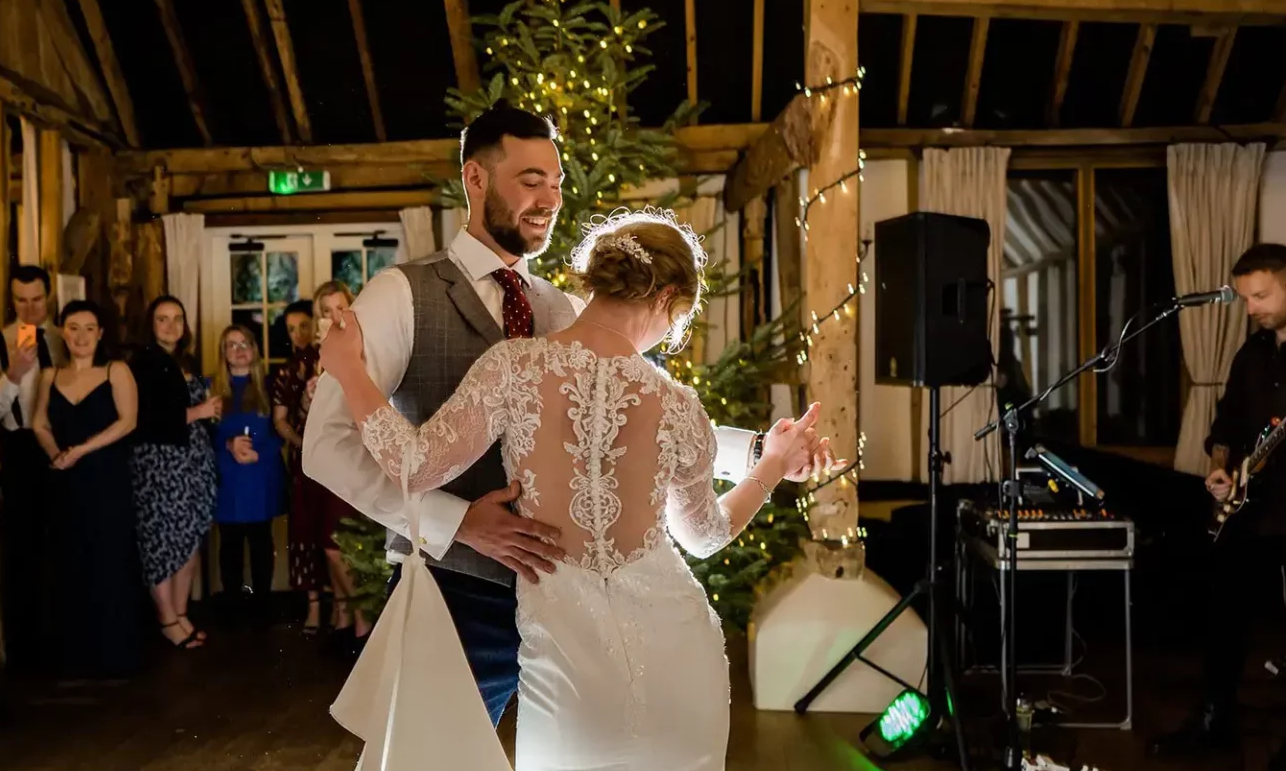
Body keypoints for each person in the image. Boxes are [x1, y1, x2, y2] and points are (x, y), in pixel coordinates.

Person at [315, 211, 823, 771]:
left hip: (571, 663)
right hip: (681, 659)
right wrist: (771, 468)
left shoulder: (514, 367)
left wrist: (350, 373)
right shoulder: (675, 403)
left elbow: (412, 462)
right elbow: (704, 536)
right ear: (669, 303)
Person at [304, 102, 826, 728]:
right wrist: (458, 524)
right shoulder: (401, 292)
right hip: (456, 596)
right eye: (530, 181)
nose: (550, 197)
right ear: (475, 179)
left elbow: (625, 416)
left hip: (566, 610)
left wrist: (761, 450)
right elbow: (328, 446)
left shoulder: (557, 308)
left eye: (556, 181)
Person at [1150, 243, 1286, 771]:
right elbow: (1227, 422)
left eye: (1261, 295)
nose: (1251, 308)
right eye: (1245, 297)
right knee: (1223, 617)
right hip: (1252, 508)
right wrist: (1221, 468)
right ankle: (1213, 722)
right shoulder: (1251, 354)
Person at [31, 301, 142, 677]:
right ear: (63, 331)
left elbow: (128, 422)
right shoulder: (49, 375)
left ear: (100, 333)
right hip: (66, 478)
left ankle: (114, 655)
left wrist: (81, 450)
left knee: (108, 558)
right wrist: (57, 455)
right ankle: (73, 656)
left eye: (89, 328)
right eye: (73, 328)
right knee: (69, 560)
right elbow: (40, 423)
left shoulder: (116, 370)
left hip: (106, 477)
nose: (81, 336)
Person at [0, 264, 67, 671]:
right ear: (11, 301)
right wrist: (11, 377)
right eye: (21, 301)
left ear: (48, 297)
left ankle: (62, 640)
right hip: (16, 450)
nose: (30, 309)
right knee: (21, 552)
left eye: (37, 300)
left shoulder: (65, 340)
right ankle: (26, 650)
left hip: (63, 450)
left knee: (62, 546)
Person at [273, 286, 364, 640]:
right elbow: (306, 415)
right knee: (328, 543)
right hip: (321, 461)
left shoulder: (364, 347)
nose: (332, 314)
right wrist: (311, 398)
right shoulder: (314, 356)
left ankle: (361, 620)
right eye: (325, 310)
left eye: (339, 306)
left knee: (339, 543)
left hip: (352, 456)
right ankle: (344, 615)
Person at [129, 296, 218, 649]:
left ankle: (181, 614)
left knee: (189, 539)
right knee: (161, 543)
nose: (170, 326)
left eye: (177, 318)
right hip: (160, 466)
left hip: (192, 463)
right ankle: (166, 619)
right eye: (162, 319)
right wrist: (198, 413)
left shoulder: (186, 360)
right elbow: (143, 420)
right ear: (150, 324)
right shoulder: (143, 365)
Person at [212, 325, 285, 620]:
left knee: (260, 543)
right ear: (224, 353)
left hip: (260, 475)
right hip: (228, 477)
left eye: (245, 344)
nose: (239, 350)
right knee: (229, 544)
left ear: (254, 350)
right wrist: (228, 444)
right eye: (231, 345)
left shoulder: (270, 386)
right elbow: (202, 435)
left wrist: (261, 452)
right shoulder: (212, 388)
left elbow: (282, 431)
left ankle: (262, 607)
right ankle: (231, 606)